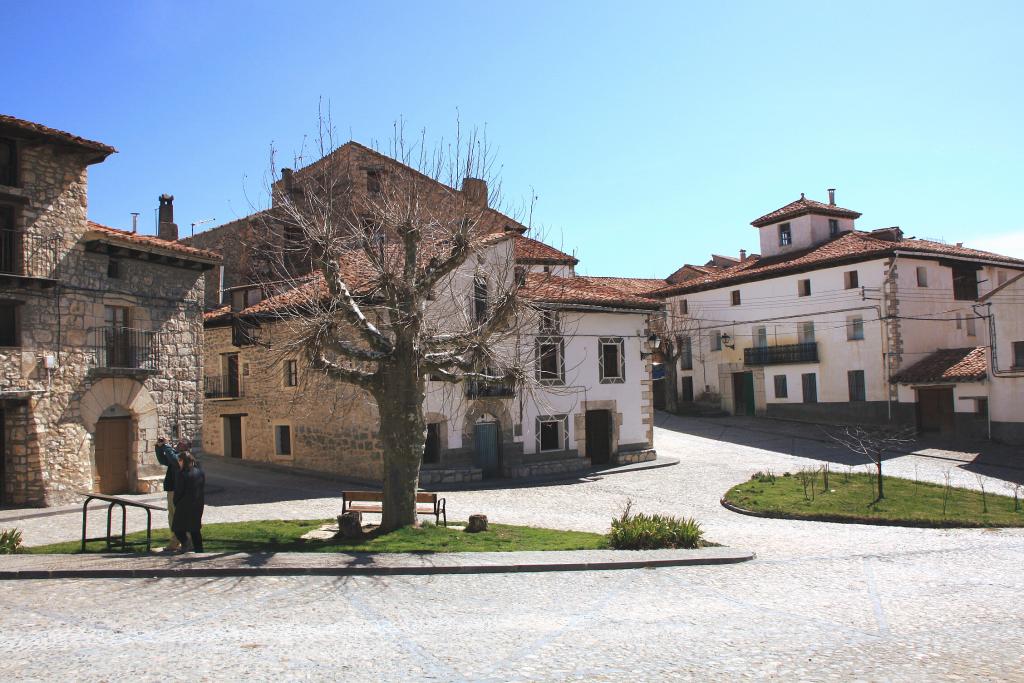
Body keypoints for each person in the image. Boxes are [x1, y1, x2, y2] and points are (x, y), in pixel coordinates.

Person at [172, 452, 206, 553]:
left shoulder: (182, 474)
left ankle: (186, 543)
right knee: (195, 529)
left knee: (177, 528)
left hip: (184, 504)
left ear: (182, 461)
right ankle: (199, 550)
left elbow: (179, 491)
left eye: (180, 461)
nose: (179, 463)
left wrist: (176, 502)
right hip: (197, 503)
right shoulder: (200, 472)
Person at [154, 436, 182, 552]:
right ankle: (175, 541)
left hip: (179, 491)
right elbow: (162, 460)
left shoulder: (184, 458)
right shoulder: (175, 455)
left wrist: (166, 446)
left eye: (182, 443)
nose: (179, 444)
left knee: (178, 517)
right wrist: (159, 448)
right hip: (172, 490)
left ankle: (181, 541)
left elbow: (175, 461)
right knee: (172, 517)